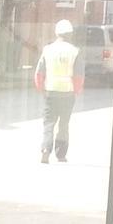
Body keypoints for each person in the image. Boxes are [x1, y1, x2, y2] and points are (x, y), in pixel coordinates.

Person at [33, 19, 82, 163]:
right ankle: (61, 154)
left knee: (48, 123)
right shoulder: (75, 51)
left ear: (57, 33)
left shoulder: (48, 50)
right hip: (68, 93)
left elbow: (39, 72)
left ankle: (45, 150)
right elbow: (79, 75)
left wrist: (41, 88)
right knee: (64, 123)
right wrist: (76, 91)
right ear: (70, 34)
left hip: (51, 92)